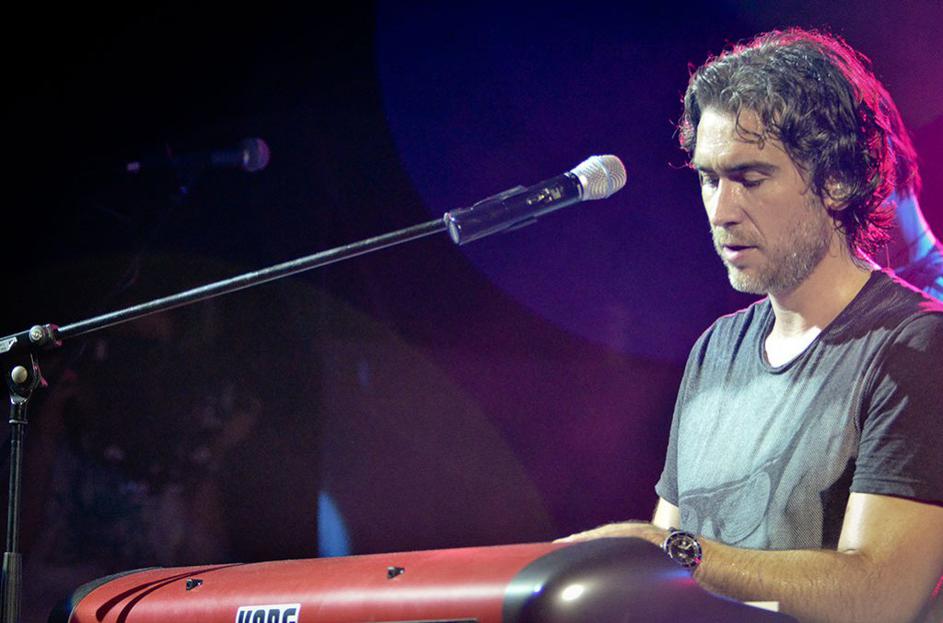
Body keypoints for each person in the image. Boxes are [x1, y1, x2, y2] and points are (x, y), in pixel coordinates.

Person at [560, 29, 943, 623]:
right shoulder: (716, 348)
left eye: (750, 178)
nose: (721, 210)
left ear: (838, 181)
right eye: (709, 179)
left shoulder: (918, 346)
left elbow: (882, 596)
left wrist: (671, 551)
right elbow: (665, 587)